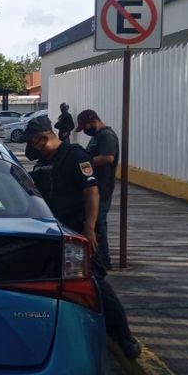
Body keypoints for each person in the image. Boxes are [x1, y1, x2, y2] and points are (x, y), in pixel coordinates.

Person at [19, 115, 141, 359]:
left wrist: (89, 229)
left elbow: (91, 193)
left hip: (77, 233)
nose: (30, 147)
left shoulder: (74, 156)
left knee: (94, 282)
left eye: (32, 142)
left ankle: (124, 338)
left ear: (42, 138)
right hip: (52, 233)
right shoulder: (44, 163)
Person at [76, 109, 119, 270]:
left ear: (93, 121)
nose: (85, 130)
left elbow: (108, 157)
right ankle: (97, 257)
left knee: (98, 223)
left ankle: (104, 259)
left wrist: (85, 164)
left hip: (102, 188)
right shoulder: (97, 137)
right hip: (94, 185)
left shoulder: (106, 136)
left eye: (85, 127)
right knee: (96, 222)